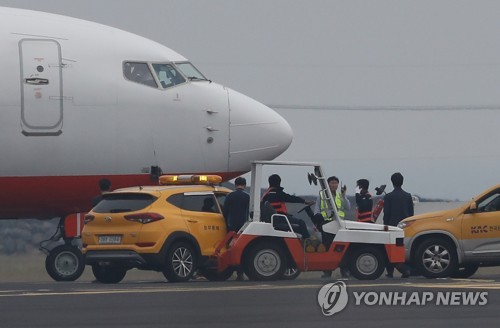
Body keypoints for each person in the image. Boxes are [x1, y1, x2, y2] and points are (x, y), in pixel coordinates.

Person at [314, 176, 351, 279]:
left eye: (336, 183)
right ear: (328, 184)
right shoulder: (322, 195)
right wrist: (316, 223)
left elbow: (348, 207)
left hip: (338, 226)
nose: (334, 185)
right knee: (327, 247)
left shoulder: (340, 196)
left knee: (342, 248)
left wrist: (344, 196)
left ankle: (344, 271)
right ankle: (327, 272)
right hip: (326, 225)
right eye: (332, 183)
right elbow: (317, 210)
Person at [261, 174, 314, 239]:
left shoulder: (266, 194)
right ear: (279, 183)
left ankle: (302, 241)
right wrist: (304, 201)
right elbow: (291, 198)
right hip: (279, 218)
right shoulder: (277, 193)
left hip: (275, 219)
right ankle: (308, 241)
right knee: (301, 223)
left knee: (298, 225)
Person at [383, 172, 413, 278]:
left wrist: (385, 225)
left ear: (392, 182)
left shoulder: (389, 197)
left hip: (392, 226)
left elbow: (386, 213)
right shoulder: (408, 196)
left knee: (389, 250)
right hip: (406, 226)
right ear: (402, 182)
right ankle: (406, 269)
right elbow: (411, 214)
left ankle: (390, 272)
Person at [222, 177, 250, 281]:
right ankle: (240, 272)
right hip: (244, 228)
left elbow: (225, 212)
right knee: (242, 250)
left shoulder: (230, 196)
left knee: (230, 249)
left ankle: (229, 270)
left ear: (235, 185)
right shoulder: (247, 197)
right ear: (245, 185)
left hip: (231, 227)